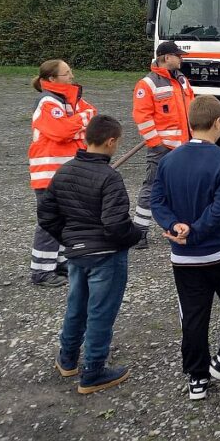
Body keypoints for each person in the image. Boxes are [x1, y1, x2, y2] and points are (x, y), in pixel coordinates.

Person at [150, 95, 220, 401]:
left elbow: (156, 201)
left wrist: (175, 226)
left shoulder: (168, 160)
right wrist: (196, 231)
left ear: (189, 123)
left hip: (183, 257)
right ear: (218, 123)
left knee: (193, 315)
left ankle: (197, 377)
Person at [37, 115, 141, 394]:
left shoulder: (64, 171)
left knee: (76, 306)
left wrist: (70, 239)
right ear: (110, 142)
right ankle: (93, 370)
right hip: (106, 256)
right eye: (118, 142)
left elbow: (46, 215)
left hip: (77, 255)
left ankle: (67, 358)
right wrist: (136, 234)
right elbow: (116, 225)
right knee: (100, 313)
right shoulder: (110, 178)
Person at [28, 59, 96, 287]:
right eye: (66, 73)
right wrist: (80, 125)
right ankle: (41, 271)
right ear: (52, 79)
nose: (71, 76)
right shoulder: (47, 102)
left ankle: (58, 262)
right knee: (50, 222)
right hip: (49, 172)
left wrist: (76, 127)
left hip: (65, 171)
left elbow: (92, 114)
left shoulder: (69, 99)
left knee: (64, 220)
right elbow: (61, 131)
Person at [132, 40, 194, 246]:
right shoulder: (147, 84)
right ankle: (139, 231)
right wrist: (156, 143)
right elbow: (142, 117)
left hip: (183, 147)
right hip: (162, 148)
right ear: (167, 58)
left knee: (179, 189)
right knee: (151, 188)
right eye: (178, 55)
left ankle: (176, 228)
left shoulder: (182, 80)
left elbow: (191, 108)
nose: (181, 59)